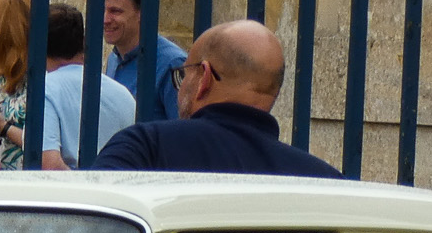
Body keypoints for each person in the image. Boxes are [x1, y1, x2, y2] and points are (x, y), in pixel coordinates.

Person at [94, 19, 338, 178]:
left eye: (183, 75)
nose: (180, 87)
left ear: (204, 77)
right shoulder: (323, 180)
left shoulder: (144, 149)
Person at [0, 3, 136, 170]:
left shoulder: (45, 90)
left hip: (72, 187)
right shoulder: (123, 93)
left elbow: (50, 165)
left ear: (37, 45)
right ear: (82, 42)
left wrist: (88, 184)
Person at [101, 0, 186, 123]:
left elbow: (184, 127)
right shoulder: (114, 58)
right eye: (103, 10)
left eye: (115, 11)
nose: (105, 20)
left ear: (142, 13)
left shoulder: (172, 63)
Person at [0, 0, 31, 171]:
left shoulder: (41, 81)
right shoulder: (1, 79)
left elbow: (45, 146)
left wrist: (2, 126)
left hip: (25, 182)